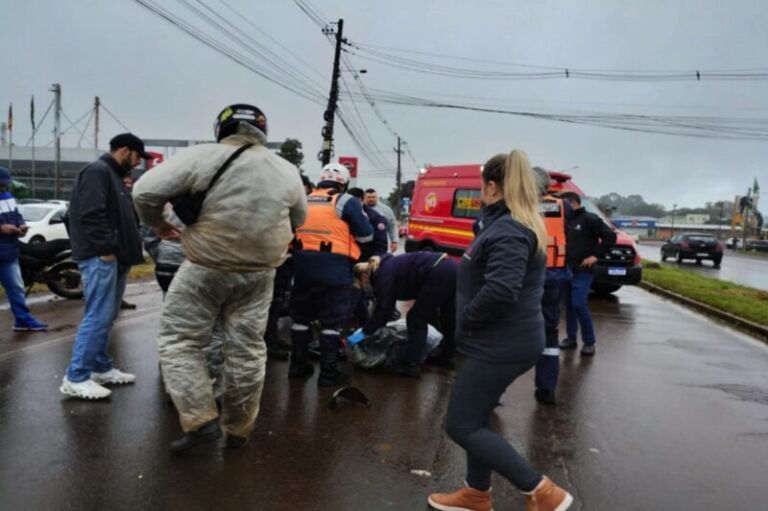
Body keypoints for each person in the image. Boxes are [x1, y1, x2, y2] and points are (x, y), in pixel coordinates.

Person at [133, 104, 307, 452]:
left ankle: (200, 420)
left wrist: (159, 224)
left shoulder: (202, 156)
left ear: (221, 128)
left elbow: (144, 192)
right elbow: (298, 218)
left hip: (205, 267)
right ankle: (239, 429)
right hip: (259, 275)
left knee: (181, 341)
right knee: (247, 349)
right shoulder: (286, 170)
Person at [428, 150, 573, 511]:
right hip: (500, 340)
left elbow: (501, 290)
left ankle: (542, 492)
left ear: (492, 187)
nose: (480, 193)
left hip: (499, 345)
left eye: (481, 187)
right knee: (477, 417)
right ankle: (476, 493)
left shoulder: (509, 229)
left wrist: (466, 321)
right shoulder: (506, 224)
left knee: (460, 425)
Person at [60, 133, 147, 400]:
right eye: (137, 156)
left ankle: (99, 367)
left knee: (106, 315)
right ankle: (76, 377)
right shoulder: (97, 171)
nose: (138, 163)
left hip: (115, 257)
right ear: (125, 150)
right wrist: (106, 249)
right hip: (101, 257)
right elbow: (91, 213)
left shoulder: (113, 176)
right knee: (98, 315)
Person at [289, 163, 373, 387]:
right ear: (343, 183)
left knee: (300, 318)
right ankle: (328, 374)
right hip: (334, 268)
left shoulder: (303, 199)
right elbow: (366, 236)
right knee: (331, 321)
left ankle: (297, 366)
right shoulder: (346, 201)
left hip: (302, 266)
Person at [351, 251, 456, 377]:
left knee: (416, 318)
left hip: (437, 272)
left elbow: (383, 311)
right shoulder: (385, 267)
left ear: (364, 277)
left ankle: (411, 364)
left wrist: (360, 335)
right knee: (447, 315)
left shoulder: (382, 276)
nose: (364, 289)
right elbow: (387, 308)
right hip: (451, 268)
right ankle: (447, 355)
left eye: (361, 285)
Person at [558, 191, 616, 357]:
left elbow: (610, 236)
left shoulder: (590, 219)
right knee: (569, 305)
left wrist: (596, 256)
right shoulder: (564, 220)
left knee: (578, 304)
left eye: (563, 205)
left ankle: (589, 342)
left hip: (582, 271)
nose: (561, 208)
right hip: (566, 269)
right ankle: (571, 338)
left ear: (573, 203)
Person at [532, 168, 571, 406]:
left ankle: (493, 395)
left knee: (507, 328)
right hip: (555, 276)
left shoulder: (520, 206)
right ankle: (547, 388)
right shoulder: (563, 206)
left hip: (529, 276)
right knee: (549, 332)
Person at [0, 166, 48, 332]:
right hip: (6, 248)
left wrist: (21, 225)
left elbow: (16, 215)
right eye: (1, 184)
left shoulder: (8, 196)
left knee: (16, 287)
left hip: (8, 251)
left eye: (5, 184)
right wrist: (1, 228)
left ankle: (22, 320)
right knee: (15, 286)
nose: (3, 188)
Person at [364, 188, 398, 252]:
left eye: (373, 197)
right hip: (364, 243)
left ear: (377, 197)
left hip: (381, 242)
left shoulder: (386, 210)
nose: (371, 199)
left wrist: (394, 241)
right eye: (369, 197)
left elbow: (392, 226)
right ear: (364, 198)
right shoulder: (360, 209)